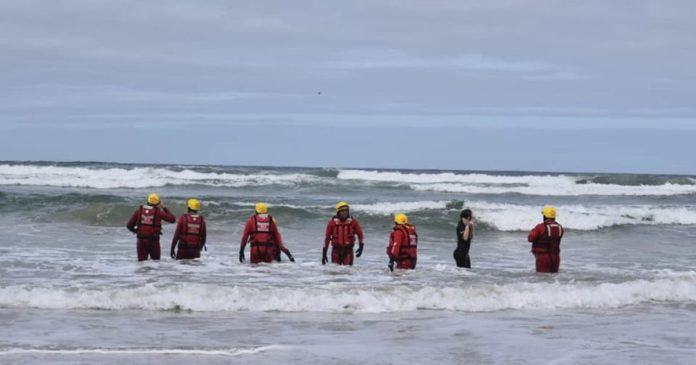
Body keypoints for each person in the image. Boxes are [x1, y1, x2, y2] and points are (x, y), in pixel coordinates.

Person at [126, 193, 176, 261]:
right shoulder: (159, 212)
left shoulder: (139, 211)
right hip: (153, 241)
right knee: (155, 263)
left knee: (142, 263)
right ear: (158, 203)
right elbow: (172, 219)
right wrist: (164, 207)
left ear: (148, 201)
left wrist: (136, 231)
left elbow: (129, 225)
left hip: (141, 240)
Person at [322, 201, 365, 265]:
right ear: (338, 212)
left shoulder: (353, 222)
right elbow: (327, 238)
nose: (344, 213)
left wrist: (361, 247)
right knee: (335, 271)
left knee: (347, 271)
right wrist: (324, 254)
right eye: (342, 211)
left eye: (346, 211)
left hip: (348, 251)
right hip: (336, 251)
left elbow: (360, 235)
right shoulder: (332, 223)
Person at [527, 205, 564, 273]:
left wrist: (533, 230)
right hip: (556, 257)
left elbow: (530, 238)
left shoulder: (540, 227)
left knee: (542, 279)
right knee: (553, 280)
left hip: (543, 258)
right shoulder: (560, 227)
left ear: (545, 216)